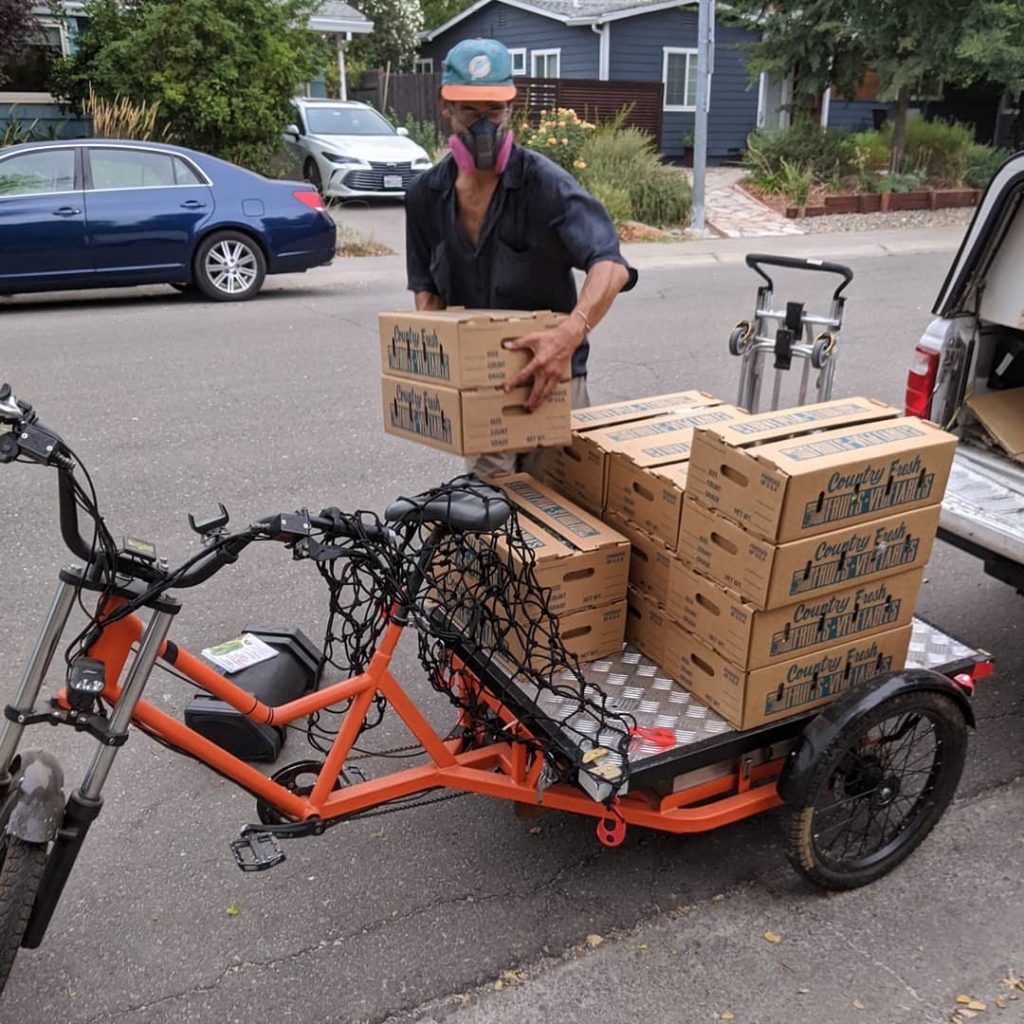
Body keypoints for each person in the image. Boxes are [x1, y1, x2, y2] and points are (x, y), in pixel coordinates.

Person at [405, 37, 638, 478]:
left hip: (555, 379)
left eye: (494, 111)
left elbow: (610, 265)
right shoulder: (424, 197)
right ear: (446, 108)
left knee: (560, 517)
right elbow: (427, 296)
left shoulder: (545, 186)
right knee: (489, 518)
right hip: (482, 385)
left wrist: (569, 334)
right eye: (471, 112)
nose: (483, 127)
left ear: (510, 109)